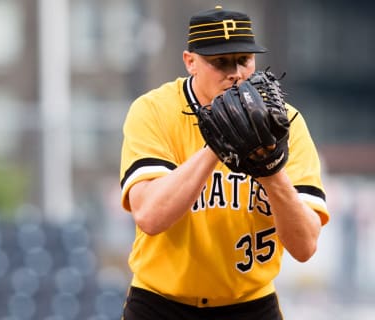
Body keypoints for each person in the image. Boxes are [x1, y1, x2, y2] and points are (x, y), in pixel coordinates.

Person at [119, 5, 330, 320]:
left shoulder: (286, 123)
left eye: (243, 60)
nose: (236, 73)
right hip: (160, 304)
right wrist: (215, 146)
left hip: (250, 303)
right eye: (220, 62)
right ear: (190, 61)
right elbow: (149, 216)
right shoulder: (154, 111)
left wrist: (271, 171)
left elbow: (305, 247)